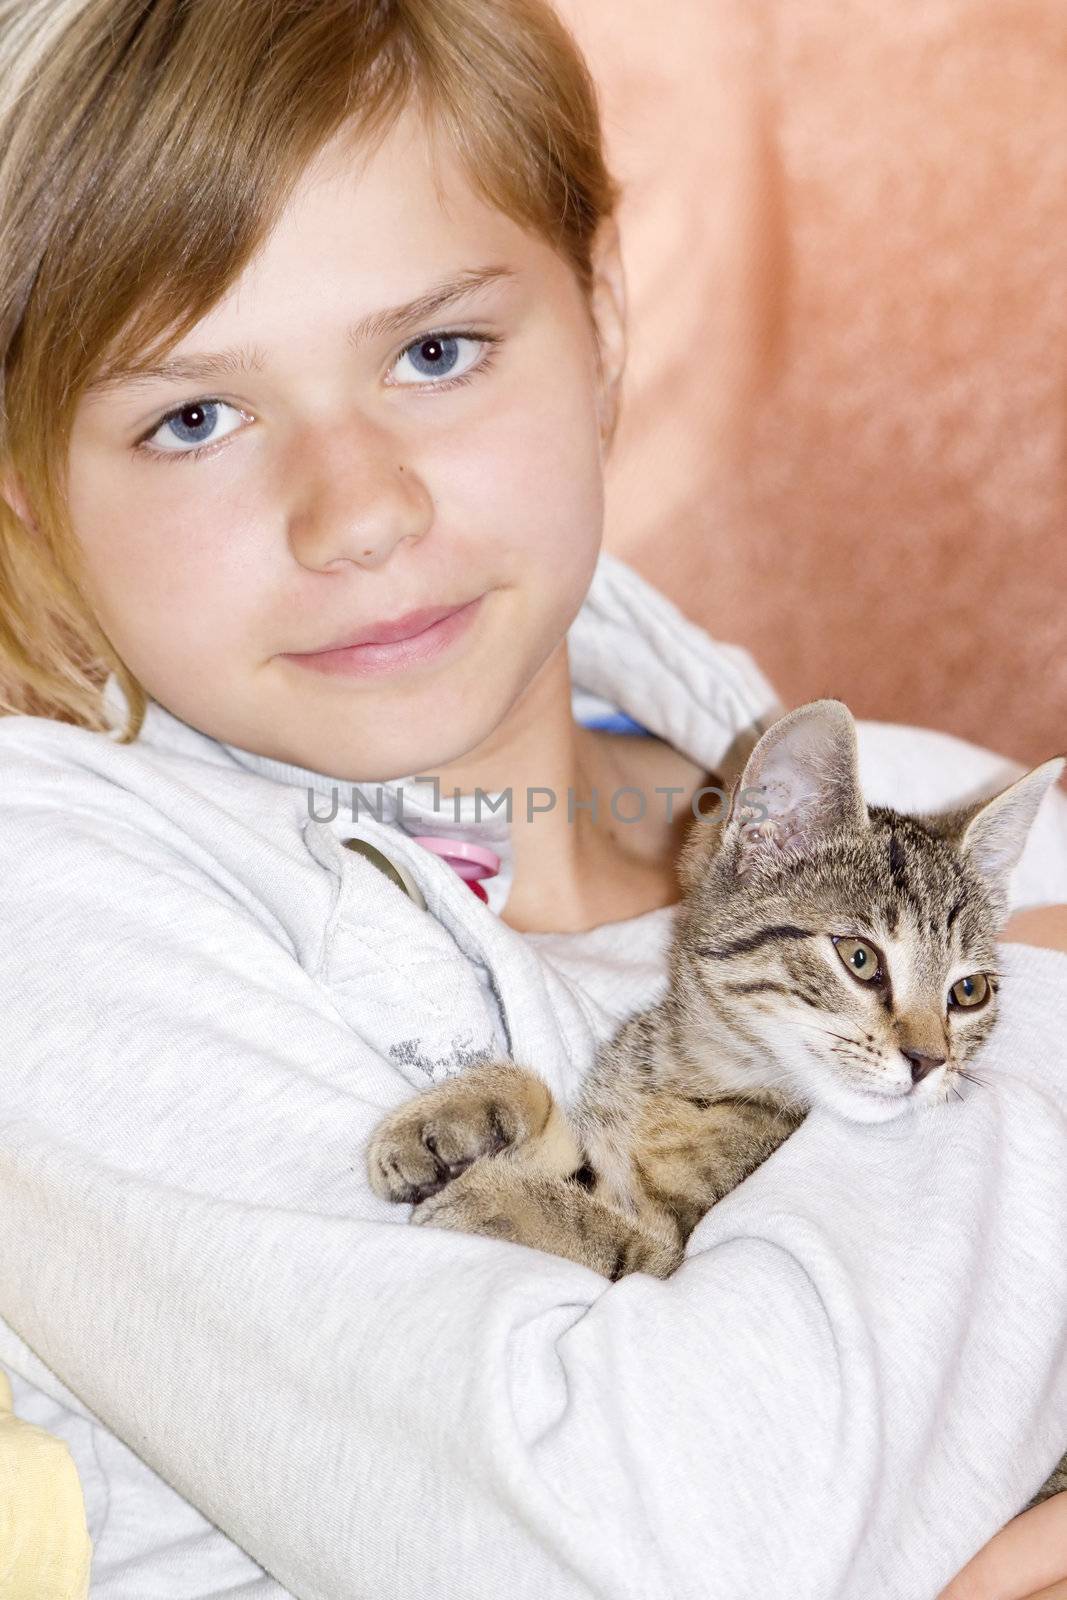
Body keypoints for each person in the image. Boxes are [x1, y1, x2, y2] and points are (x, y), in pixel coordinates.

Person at [0, 2, 1065, 1595]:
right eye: (194, 417)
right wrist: (1039, 1020)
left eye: (436, 352)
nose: (358, 512)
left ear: (606, 324)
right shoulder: (61, 907)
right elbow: (651, 1554)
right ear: (26, 491)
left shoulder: (950, 819)